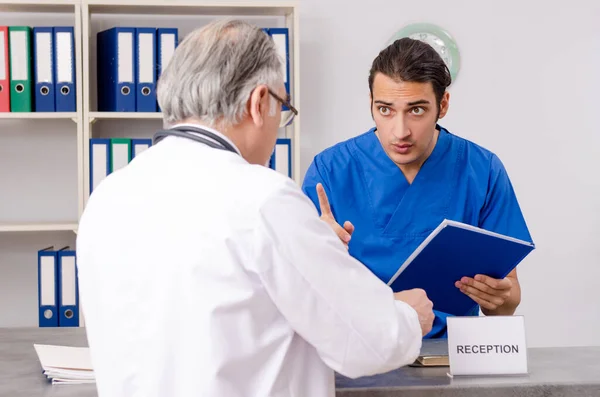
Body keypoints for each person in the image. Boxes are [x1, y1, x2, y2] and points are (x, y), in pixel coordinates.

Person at [76, 20, 435, 397]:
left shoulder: (108, 196)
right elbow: (369, 345)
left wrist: (314, 252)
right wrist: (409, 316)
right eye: (284, 107)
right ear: (259, 102)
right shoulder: (262, 199)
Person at [302, 37, 533, 339]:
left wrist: (501, 298)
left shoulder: (482, 170)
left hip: (453, 357)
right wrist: (312, 253)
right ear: (371, 103)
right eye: (385, 110)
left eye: (416, 110)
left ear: (443, 105)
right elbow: (301, 298)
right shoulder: (331, 170)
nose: (400, 131)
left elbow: (505, 302)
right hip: (360, 348)